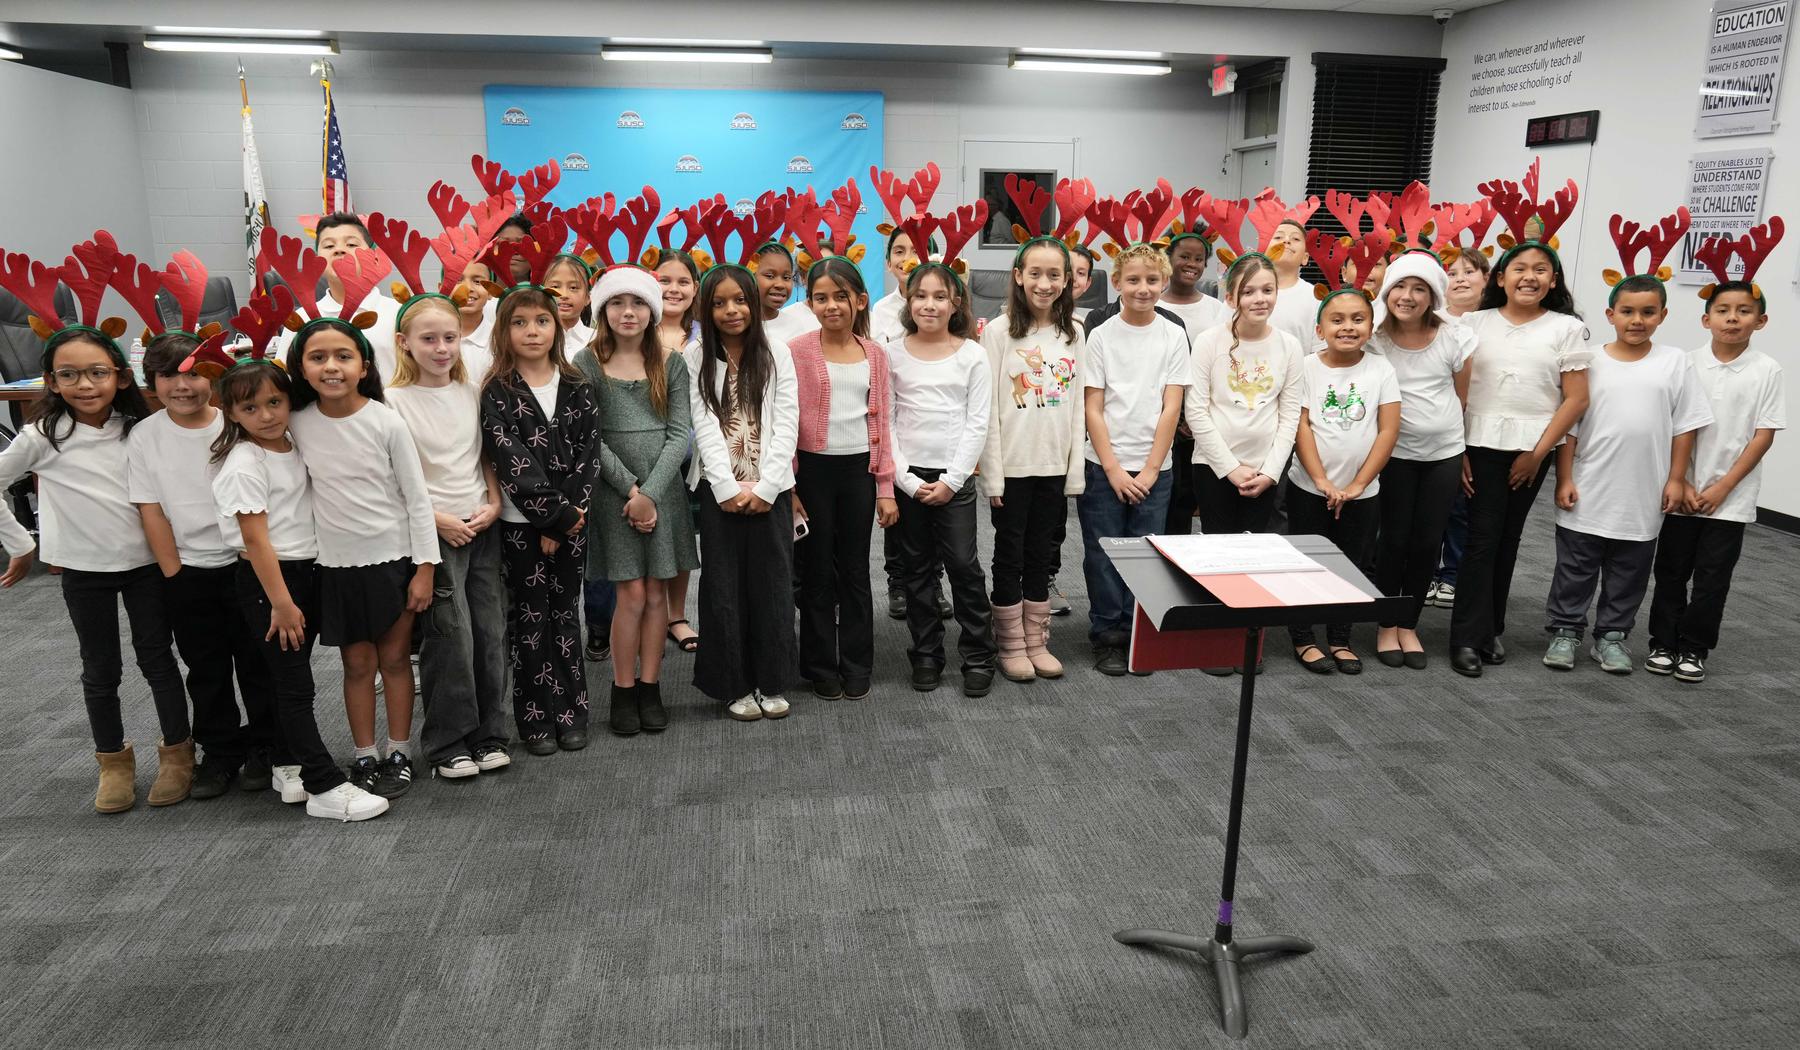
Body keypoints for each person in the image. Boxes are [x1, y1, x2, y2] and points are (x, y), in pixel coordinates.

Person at [0, 318, 189, 814]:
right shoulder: (42, 435)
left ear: (121, 377)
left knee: (158, 660)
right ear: (51, 380)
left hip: (146, 564)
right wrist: (20, 543)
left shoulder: (139, 430)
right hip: (84, 571)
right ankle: (113, 763)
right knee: (100, 668)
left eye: (97, 373)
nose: (84, 385)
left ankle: (177, 754)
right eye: (69, 374)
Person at [209, 358, 389, 821]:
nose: (266, 415)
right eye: (251, 408)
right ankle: (322, 783)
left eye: (274, 402)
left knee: (286, 678)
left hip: (306, 572)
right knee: (295, 686)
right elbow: (255, 541)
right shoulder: (244, 463)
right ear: (231, 412)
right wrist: (281, 603)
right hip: (272, 582)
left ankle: (287, 759)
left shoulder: (290, 443)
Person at [285, 313, 439, 798]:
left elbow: (417, 499)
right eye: (318, 357)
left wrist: (425, 568)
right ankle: (364, 754)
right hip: (336, 567)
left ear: (364, 365)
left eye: (343, 356)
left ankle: (399, 751)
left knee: (394, 660)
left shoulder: (385, 421)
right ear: (302, 368)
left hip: (393, 562)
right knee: (356, 665)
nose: (331, 366)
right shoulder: (296, 424)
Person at [129, 333, 279, 797]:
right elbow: (150, 508)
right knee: (206, 669)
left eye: (194, 373)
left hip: (245, 565)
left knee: (257, 662)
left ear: (212, 377)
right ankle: (219, 752)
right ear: (151, 382)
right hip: (188, 570)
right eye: (168, 375)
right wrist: (173, 573)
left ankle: (265, 746)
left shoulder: (235, 424)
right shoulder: (145, 435)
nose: (182, 385)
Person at [1545, 275, 1711, 673]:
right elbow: (1569, 426)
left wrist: (1676, 478)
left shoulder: (1675, 362)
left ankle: (1611, 637)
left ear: (1662, 315)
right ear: (1610, 315)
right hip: (1589, 486)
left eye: (1648, 312)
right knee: (1575, 568)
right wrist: (1564, 478)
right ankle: (1566, 631)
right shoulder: (1589, 361)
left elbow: (1685, 426)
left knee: (1630, 572)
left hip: (1643, 492)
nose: (1637, 320)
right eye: (1627, 311)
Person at [385, 294, 512, 780]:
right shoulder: (393, 402)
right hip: (435, 531)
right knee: (449, 636)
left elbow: (485, 456)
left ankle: (489, 733)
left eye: (450, 338)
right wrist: (437, 519)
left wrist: (494, 502)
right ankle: (447, 742)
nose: (441, 349)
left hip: (481, 524)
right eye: (429, 339)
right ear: (404, 343)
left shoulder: (472, 392)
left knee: (490, 632)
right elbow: (395, 478)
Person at [1449, 241, 1589, 677]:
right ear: (1501, 278)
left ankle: (1490, 628)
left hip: (1534, 447)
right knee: (1482, 538)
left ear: (1554, 280)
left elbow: (1576, 398)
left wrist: (1538, 453)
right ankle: (1466, 637)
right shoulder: (1473, 323)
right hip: (1478, 443)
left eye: (1541, 269)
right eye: (1520, 268)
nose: (1530, 276)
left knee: (1508, 538)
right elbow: (1455, 391)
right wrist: (1458, 449)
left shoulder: (1567, 328)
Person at [1648, 262, 1786, 682]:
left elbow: (1763, 435)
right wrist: (1683, 480)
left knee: (1713, 578)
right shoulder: (1686, 364)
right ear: (1706, 319)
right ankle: (1663, 642)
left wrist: (1725, 486)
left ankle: (1694, 647)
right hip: (1682, 491)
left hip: (1731, 497)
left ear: (1760, 321)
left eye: (1744, 311)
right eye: (1723, 310)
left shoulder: (1767, 370)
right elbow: (1672, 426)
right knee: (1671, 571)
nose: (1732, 318)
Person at [577, 265, 698, 736]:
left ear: (652, 310)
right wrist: (631, 491)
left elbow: (678, 434)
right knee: (629, 593)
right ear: (602, 310)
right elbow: (589, 437)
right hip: (615, 497)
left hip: (663, 492)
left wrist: (650, 493)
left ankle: (651, 686)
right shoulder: (586, 362)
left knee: (654, 594)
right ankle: (623, 689)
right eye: (617, 303)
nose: (628, 313)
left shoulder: (671, 363)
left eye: (638, 304)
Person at [481, 286, 598, 754]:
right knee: (530, 621)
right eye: (520, 322)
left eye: (542, 321)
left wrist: (566, 519)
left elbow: (588, 455)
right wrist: (550, 518)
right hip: (521, 524)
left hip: (572, 524)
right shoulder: (497, 390)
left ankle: (571, 714)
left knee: (566, 615)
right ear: (504, 331)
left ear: (557, 327)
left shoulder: (577, 385)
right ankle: (535, 718)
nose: (532, 331)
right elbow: (510, 459)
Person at [688, 265, 800, 722]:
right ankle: (734, 684)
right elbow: (702, 425)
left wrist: (768, 486)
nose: (731, 311)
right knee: (724, 590)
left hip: (773, 490)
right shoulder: (695, 356)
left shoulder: (776, 352)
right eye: (719, 303)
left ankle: (771, 680)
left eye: (739, 300)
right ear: (706, 309)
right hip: (722, 493)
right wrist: (726, 487)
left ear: (753, 302)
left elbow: (788, 421)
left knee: (773, 587)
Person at [1078, 243, 1189, 676]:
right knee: (1103, 553)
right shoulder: (1101, 335)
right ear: (1117, 283)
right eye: (1134, 280)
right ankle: (1107, 635)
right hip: (1103, 465)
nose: (1143, 288)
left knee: (1145, 554)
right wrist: (1113, 469)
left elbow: (1171, 406)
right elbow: (1093, 407)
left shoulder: (1173, 334)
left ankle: (1138, 633)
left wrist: (1150, 469)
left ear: (1163, 282)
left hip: (1155, 469)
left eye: (1152, 280)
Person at [978, 237, 1086, 682]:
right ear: (1018, 277)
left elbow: (1077, 407)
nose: (1045, 284)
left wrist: (1074, 473)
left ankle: (1037, 640)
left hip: (1053, 467)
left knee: (1043, 553)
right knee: (1010, 555)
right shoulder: (998, 332)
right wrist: (993, 478)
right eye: (1035, 274)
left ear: (1066, 280)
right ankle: (1010, 644)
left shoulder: (1074, 332)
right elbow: (987, 410)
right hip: (1013, 468)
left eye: (1054, 275)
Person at [790, 258, 897, 701]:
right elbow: (785, 420)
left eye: (840, 296)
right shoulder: (796, 350)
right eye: (821, 298)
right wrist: (789, 486)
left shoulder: (875, 353)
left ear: (860, 300)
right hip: (811, 472)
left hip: (859, 472)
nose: (831, 305)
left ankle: (857, 662)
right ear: (810, 303)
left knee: (854, 570)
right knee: (815, 570)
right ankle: (819, 665)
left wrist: (885, 488)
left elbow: (883, 421)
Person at [887, 262, 996, 695]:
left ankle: (979, 656)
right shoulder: (891, 353)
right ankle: (926, 654)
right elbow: (886, 423)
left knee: (964, 567)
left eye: (939, 297)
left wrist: (952, 480)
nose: (928, 305)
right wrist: (906, 481)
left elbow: (978, 422)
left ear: (956, 304)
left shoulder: (972, 354)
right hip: (908, 480)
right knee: (916, 570)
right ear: (908, 301)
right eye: (920, 296)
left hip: (956, 479)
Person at [1366, 252, 1474, 669]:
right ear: (1387, 291)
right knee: (1393, 540)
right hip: (1392, 454)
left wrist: (1456, 445)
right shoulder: (1374, 337)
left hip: (1443, 454)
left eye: (1419, 289)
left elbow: (1461, 397)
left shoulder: (1454, 337)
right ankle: (1385, 623)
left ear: (1433, 297)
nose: (1407, 296)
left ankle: (1408, 624)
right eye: (1400, 286)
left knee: (1428, 541)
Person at [1286, 289, 1401, 674]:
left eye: (1357, 319)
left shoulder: (1381, 369)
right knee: (1305, 563)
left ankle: (1340, 638)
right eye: (1337, 320)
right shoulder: (1306, 367)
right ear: (1320, 329)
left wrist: (1357, 485)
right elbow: (1301, 425)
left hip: (1362, 493)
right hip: (1309, 488)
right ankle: (1303, 637)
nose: (1348, 327)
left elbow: (1388, 430)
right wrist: (1321, 480)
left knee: (1351, 564)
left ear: (1371, 327)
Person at [1186, 252, 1304, 535]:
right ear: (1230, 298)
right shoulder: (1209, 342)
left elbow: (1290, 416)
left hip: (1264, 470)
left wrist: (1271, 472)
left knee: (1256, 549)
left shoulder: (1289, 346)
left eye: (1267, 290)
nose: (1260, 299)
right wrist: (1230, 468)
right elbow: (1196, 411)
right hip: (1214, 466)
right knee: (1218, 547)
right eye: (1248, 292)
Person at [1428, 248, 1492, 610]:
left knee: (1462, 506)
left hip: (1478, 425)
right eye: (1452, 273)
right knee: (1432, 505)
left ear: (1487, 279)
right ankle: (1425, 572)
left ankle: (1452, 573)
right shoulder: (1432, 320)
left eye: (1470, 271)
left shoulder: (1491, 322)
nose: (1460, 279)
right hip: (1436, 426)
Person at [271, 214, 404, 381]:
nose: (339, 250)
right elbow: (285, 379)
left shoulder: (398, 313)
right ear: (317, 259)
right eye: (328, 246)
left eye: (351, 244)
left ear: (373, 255)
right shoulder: (302, 319)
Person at [652, 249, 703, 654]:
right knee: (652, 535)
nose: (673, 289)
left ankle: (676, 616)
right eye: (664, 280)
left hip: (695, 456)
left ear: (695, 288)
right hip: (649, 455)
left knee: (683, 536)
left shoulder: (706, 333)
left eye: (683, 281)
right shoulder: (636, 329)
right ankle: (648, 613)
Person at [754, 243, 821, 349]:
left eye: (786, 277)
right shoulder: (739, 326)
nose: (780, 285)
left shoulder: (796, 327)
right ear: (751, 275)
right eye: (770, 276)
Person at [1267, 219, 1320, 349]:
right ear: (1264, 251)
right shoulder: (1245, 291)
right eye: (1278, 237)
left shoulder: (1315, 297)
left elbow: (1320, 352)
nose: (1286, 241)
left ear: (1305, 258)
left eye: (1295, 239)